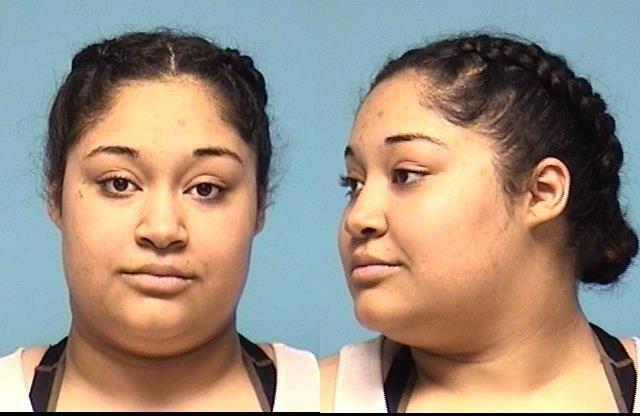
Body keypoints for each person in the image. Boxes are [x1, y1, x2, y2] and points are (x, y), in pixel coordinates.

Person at [0, 29, 318, 411]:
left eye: (205, 188)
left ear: (259, 205)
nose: (162, 229)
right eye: (119, 183)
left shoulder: (333, 396)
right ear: (56, 196)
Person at [321, 33, 639, 412]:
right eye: (353, 184)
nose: (359, 217)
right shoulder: (303, 396)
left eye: (406, 175)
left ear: (542, 192)